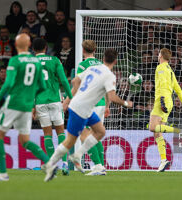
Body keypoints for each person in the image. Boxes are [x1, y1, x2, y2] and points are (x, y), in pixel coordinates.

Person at [43, 49, 133, 182]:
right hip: (80, 108)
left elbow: (74, 81)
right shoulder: (109, 75)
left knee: (100, 131)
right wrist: (126, 103)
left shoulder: (92, 68)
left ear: (103, 59)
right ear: (115, 61)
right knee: (71, 141)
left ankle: (81, 158)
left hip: (86, 107)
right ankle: (50, 164)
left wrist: (79, 95)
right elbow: (113, 97)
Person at [0, 33, 49, 182]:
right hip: (27, 106)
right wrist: (29, 95)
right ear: (29, 45)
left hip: (13, 103)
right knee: (25, 141)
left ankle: (3, 173)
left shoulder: (15, 60)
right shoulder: (35, 62)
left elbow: (8, 83)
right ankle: (49, 162)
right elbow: (43, 86)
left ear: (15, 45)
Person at [32, 38, 73, 176]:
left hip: (40, 102)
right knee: (61, 132)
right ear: (45, 48)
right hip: (55, 100)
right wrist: (70, 98)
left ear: (33, 50)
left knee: (47, 134)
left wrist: (32, 106)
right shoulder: (55, 60)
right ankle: (65, 164)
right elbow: (63, 80)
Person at [148, 48, 182, 172]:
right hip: (169, 101)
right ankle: (163, 160)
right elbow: (177, 88)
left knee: (152, 127)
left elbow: (161, 84)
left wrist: (161, 100)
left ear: (161, 55)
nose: (158, 55)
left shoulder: (160, 67)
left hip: (162, 99)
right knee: (158, 133)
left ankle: (180, 131)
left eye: (159, 53)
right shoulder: (170, 70)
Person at [74, 40, 108, 176]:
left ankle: (98, 166)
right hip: (101, 103)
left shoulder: (82, 65)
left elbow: (78, 85)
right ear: (95, 50)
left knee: (84, 134)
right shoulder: (101, 64)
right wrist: (107, 105)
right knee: (96, 135)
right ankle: (102, 166)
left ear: (83, 50)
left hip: (90, 103)